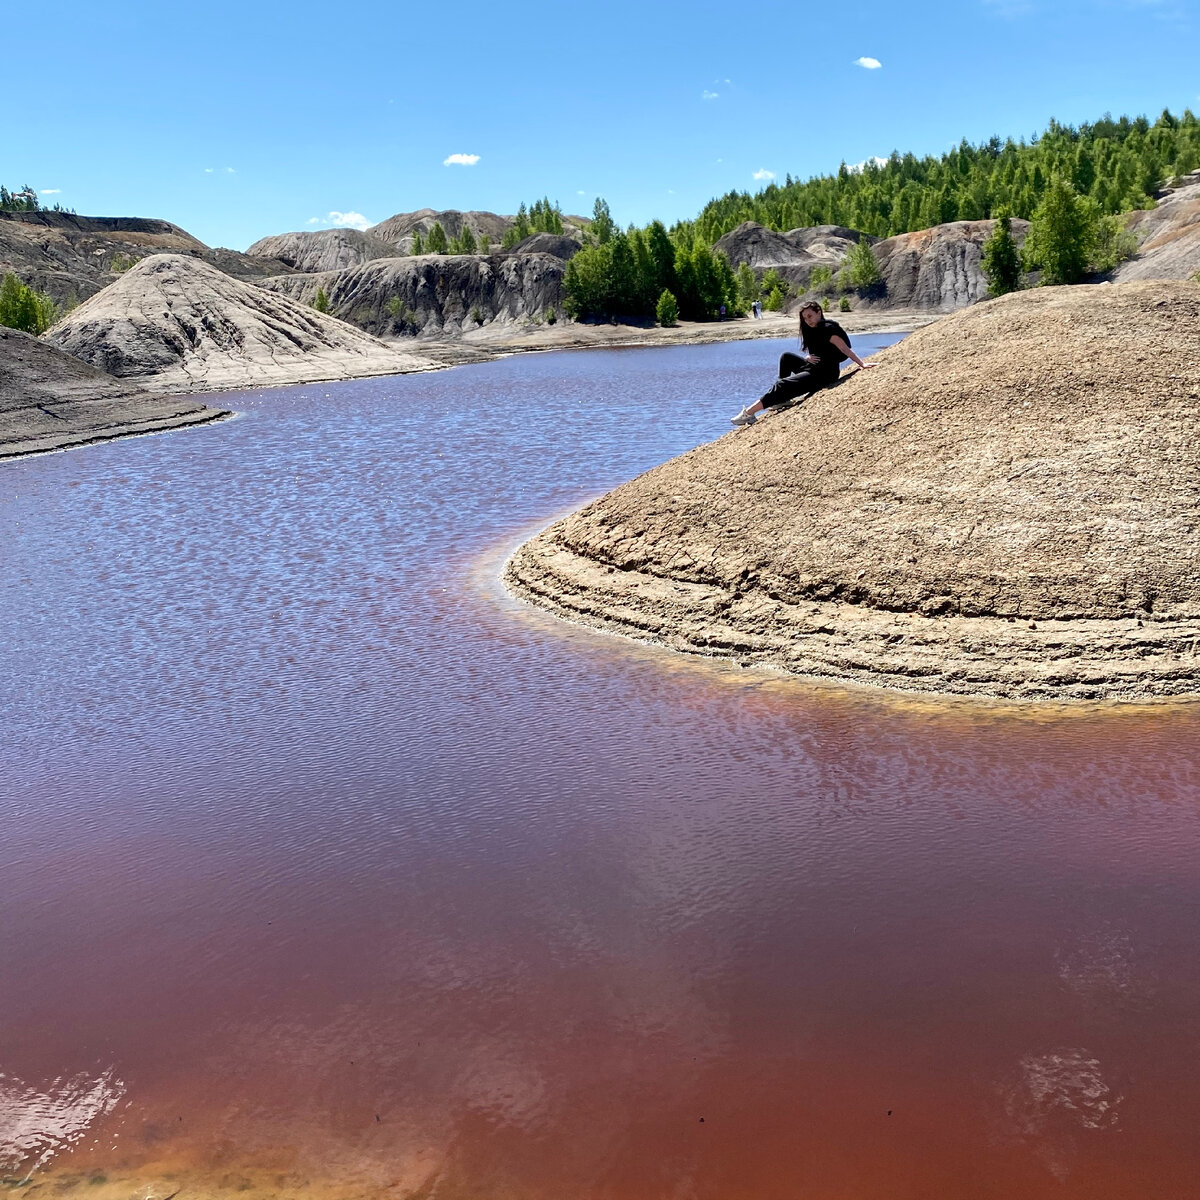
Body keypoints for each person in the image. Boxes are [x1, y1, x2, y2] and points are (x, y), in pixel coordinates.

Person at [730, 301, 876, 426]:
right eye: (805, 318)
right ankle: (783, 400)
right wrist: (807, 358)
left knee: (782, 385)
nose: (808, 321)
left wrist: (862, 364)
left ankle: (748, 413)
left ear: (819, 312)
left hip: (824, 375)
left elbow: (845, 349)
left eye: (810, 316)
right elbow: (817, 352)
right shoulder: (812, 330)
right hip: (814, 368)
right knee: (786, 357)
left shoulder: (828, 329)